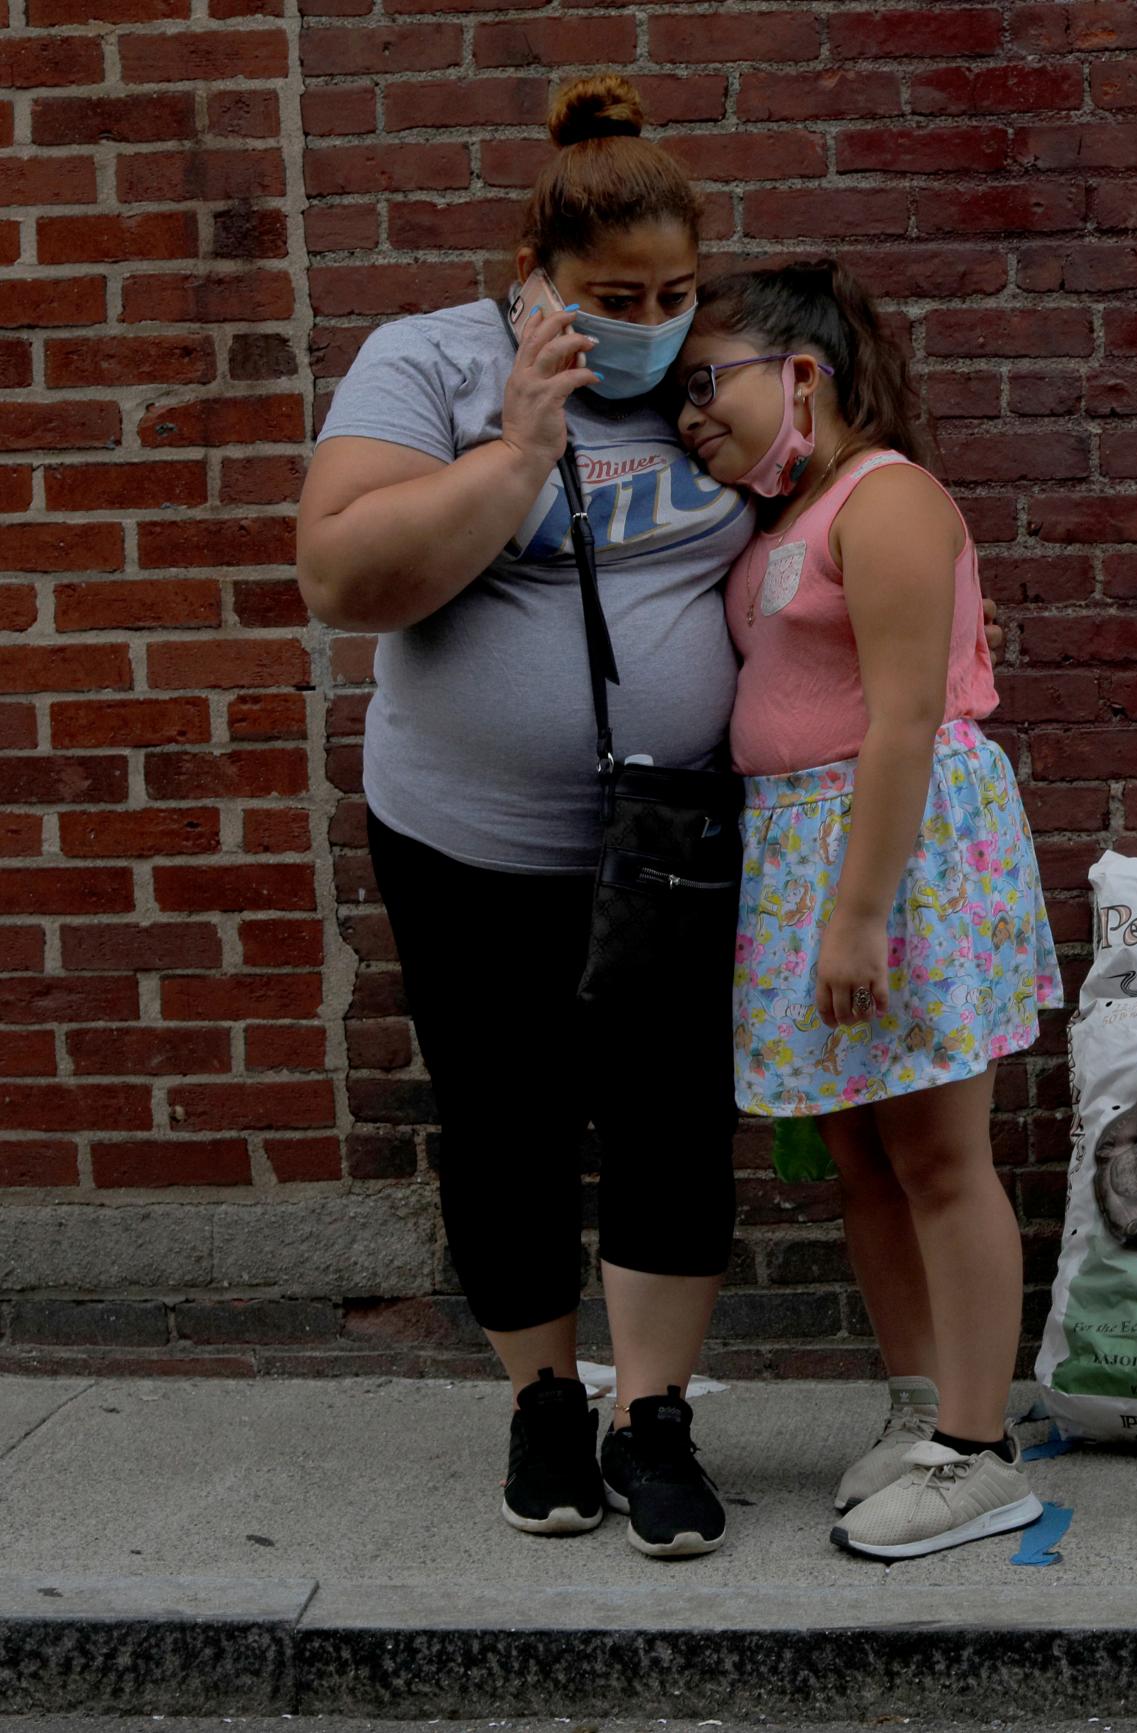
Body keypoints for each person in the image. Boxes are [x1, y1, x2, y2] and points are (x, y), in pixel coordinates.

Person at [298, 76, 750, 1560]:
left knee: (674, 1115)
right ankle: (547, 1398)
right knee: (504, 1121)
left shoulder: (724, 372)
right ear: (531, 281)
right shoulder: (423, 365)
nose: (653, 318)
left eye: (676, 290)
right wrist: (517, 451)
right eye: (615, 295)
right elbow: (346, 574)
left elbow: (848, 503)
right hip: (464, 837)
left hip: (673, 837)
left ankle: (655, 1416)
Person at [674, 260, 1061, 1560]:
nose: (690, 414)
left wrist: (859, 916)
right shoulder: (793, 515)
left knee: (943, 1157)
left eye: (705, 381)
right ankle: (919, 1410)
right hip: (812, 857)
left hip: (891, 862)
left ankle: (981, 1448)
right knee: (864, 1164)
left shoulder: (886, 498)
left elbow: (904, 719)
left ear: (803, 375)